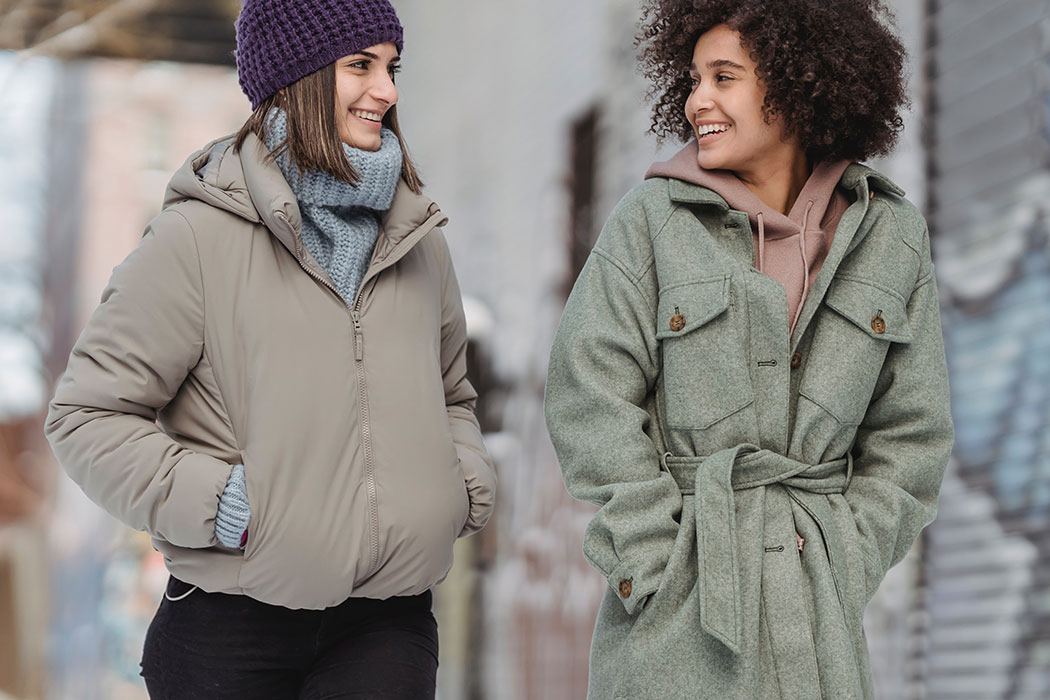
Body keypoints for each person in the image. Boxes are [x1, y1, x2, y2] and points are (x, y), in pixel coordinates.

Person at [44, 1, 496, 697]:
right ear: (297, 77)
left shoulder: (417, 240)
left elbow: (451, 395)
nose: (386, 90)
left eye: (392, 67)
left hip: (386, 623)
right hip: (229, 630)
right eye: (360, 65)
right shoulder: (196, 240)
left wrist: (458, 487)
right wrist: (225, 504)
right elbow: (86, 417)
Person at [544, 1, 953, 698]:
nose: (697, 101)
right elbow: (589, 393)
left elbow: (912, 434)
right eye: (693, 80)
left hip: (816, 627)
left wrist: (846, 554)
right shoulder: (652, 222)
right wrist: (654, 559)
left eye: (723, 78)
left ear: (798, 83)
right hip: (676, 617)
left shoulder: (890, 234)